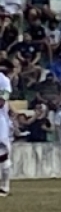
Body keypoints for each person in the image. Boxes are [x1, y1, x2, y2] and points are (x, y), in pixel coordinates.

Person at [0, 63, 12, 196]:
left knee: (2, 155)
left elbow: (2, 100)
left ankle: (5, 186)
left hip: (0, 122)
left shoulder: (4, 80)